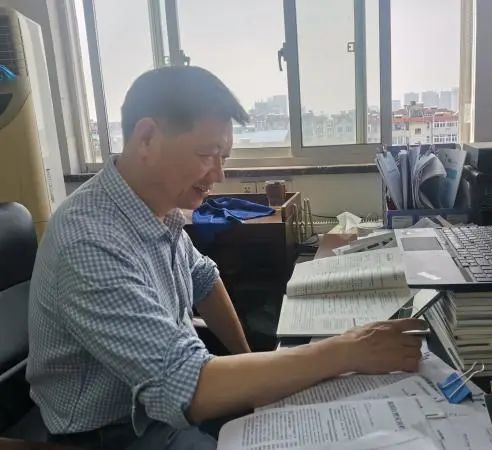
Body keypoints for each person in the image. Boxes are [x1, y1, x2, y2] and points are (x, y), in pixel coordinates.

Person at [27, 66, 426, 450]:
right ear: (146, 138)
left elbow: (204, 278)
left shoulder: (154, 210)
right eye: (208, 153)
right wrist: (347, 350)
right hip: (117, 434)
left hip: (167, 403)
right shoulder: (89, 240)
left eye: (224, 157)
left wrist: (245, 359)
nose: (218, 174)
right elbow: (186, 387)